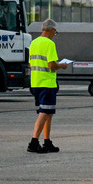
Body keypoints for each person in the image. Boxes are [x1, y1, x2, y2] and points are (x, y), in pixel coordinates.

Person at [27, 18, 68, 153]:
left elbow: (31, 64)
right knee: (44, 113)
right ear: (52, 30)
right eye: (55, 32)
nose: (54, 35)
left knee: (48, 112)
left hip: (36, 82)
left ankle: (47, 141)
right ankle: (34, 142)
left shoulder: (34, 43)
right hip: (47, 83)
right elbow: (51, 65)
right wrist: (61, 66)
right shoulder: (49, 44)